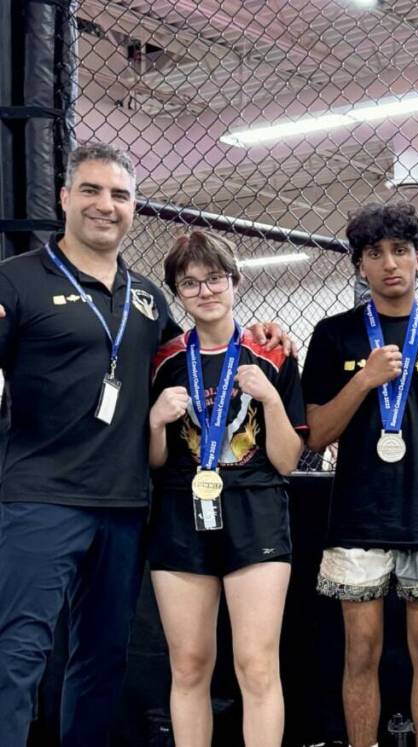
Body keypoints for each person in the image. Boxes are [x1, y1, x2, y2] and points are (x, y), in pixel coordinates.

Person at [0, 143, 290, 747]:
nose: (106, 205)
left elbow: (203, 344)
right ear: (64, 198)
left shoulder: (148, 299)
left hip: (126, 505)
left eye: (120, 195)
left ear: (133, 208)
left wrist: (264, 332)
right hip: (39, 499)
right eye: (91, 190)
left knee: (103, 660)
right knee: (17, 656)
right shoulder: (18, 279)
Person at [302, 202, 418, 747]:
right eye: (374, 254)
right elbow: (318, 433)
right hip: (358, 520)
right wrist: (363, 382)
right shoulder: (333, 334)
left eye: (400, 251)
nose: (389, 264)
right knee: (361, 653)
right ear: (360, 266)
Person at [148, 231, 307, 746]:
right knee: (189, 666)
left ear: (234, 281)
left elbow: (286, 460)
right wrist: (154, 422)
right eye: (190, 283)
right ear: (178, 292)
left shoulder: (272, 353)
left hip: (255, 510)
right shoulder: (164, 358)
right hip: (180, 512)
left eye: (214, 278)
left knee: (256, 666)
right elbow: (155, 460)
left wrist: (272, 401)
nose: (205, 291)